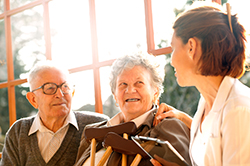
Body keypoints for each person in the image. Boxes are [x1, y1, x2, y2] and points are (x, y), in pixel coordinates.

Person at [151, 2, 250, 166]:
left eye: (173, 48)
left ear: (191, 47)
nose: (171, 60)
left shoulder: (238, 111)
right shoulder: (205, 103)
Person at [74, 52, 191, 166]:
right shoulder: (93, 131)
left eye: (139, 83)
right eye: (123, 84)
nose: (130, 90)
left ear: (155, 92)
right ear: (115, 95)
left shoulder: (169, 126)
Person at [0, 61, 109, 166]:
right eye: (50, 88)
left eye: (65, 86)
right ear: (33, 99)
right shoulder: (18, 132)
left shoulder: (99, 125)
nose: (60, 94)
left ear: (73, 92)